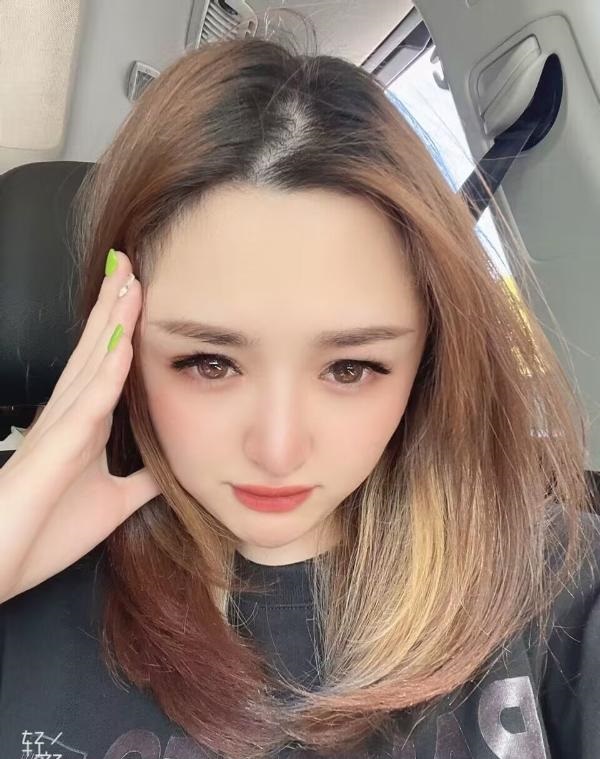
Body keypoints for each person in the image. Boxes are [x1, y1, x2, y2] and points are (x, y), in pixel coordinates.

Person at [0, 34, 599, 759]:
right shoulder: (24, 571)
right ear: (120, 343)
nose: (278, 449)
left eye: (350, 368)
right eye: (209, 363)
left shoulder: (556, 583)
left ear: (428, 359)